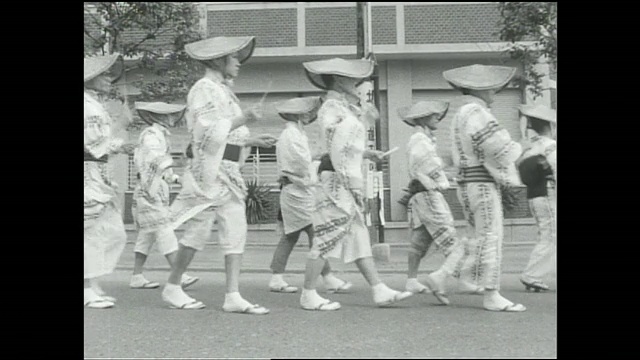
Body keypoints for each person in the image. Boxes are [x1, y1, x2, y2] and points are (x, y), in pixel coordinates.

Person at [161, 36, 277, 313]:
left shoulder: (224, 91)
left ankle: (232, 294)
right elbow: (207, 131)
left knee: (236, 230)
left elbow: (230, 134)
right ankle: (173, 285)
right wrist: (244, 118)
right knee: (198, 230)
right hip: (209, 173)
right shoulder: (203, 89)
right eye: (233, 58)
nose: (238, 63)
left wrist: (252, 140)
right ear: (217, 60)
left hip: (230, 172)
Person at [298, 57, 413, 311]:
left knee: (359, 235)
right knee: (326, 236)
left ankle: (378, 288)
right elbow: (339, 147)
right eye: (353, 79)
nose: (357, 84)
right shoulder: (332, 107)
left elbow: (345, 145)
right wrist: (353, 181)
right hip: (337, 181)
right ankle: (307, 293)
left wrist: (366, 153)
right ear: (339, 80)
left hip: (339, 177)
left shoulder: (340, 108)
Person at [444, 64, 526, 312]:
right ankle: (492, 293)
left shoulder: (461, 113)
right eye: (492, 88)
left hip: (467, 182)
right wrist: (519, 147)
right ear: (482, 88)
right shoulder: (476, 112)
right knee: (491, 235)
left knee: (474, 236)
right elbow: (499, 148)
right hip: (481, 183)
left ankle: (442, 275)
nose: (495, 92)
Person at [268, 96, 352, 294]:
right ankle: (328, 277)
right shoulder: (290, 135)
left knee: (291, 236)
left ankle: (277, 276)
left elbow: (304, 159)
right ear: (297, 115)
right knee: (316, 233)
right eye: (305, 112)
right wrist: (316, 163)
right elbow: (301, 163)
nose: (308, 115)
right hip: (298, 190)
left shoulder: (295, 134)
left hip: (297, 190)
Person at [398, 101, 469, 305]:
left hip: (421, 195)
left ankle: (411, 279)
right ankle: (451, 278)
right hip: (429, 194)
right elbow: (430, 168)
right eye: (433, 115)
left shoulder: (422, 139)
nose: (437, 117)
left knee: (420, 239)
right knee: (450, 238)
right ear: (422, 118)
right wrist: (445, 178)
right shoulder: (420, 140)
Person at [130, 101, 199, 290]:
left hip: (154, 189)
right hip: (148, 190)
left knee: (147, 236)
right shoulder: (151, 136)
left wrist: (176, 178)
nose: (171, 118)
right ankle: (179, 274)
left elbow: (163, 170)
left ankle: (137, 275)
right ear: (158, 117)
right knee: (164, 229)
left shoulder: (160, 135)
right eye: (168, 115)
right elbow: (154, 159)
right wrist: (174, 162)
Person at [84, 53, 132, 308]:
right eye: (103, 74)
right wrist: (119, 126)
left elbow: (101, 142)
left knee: (113, 232)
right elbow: (91, 145)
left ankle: (93, 283)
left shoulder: (95, 104)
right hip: (87, 174)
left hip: (100, 174)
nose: (108, 79)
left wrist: (118, 145)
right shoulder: (85, 105)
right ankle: (87, 287)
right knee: (90, 233)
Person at [516, 104, 556, 292]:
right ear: (551, 126)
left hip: (534, 196)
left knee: (546, 234)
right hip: (548, 195)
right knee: (550, 236)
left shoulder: (530, 148)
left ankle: (535, 274)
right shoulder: (550, 148)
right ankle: (532, 275)